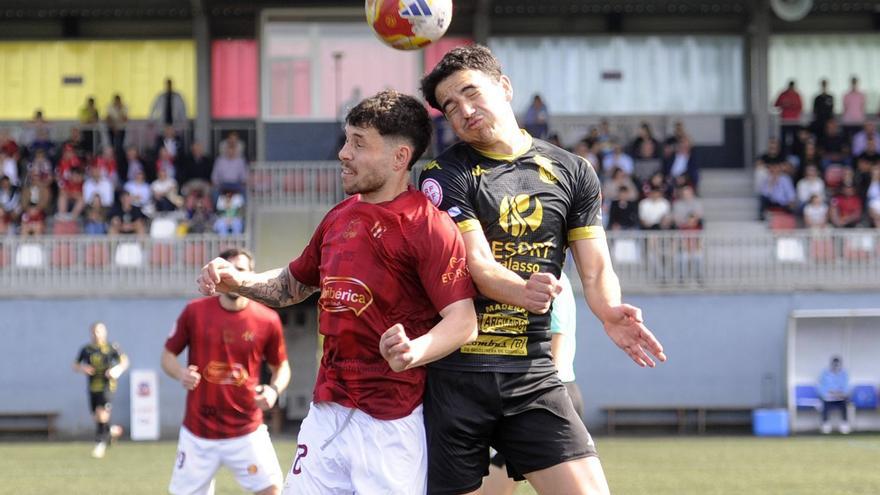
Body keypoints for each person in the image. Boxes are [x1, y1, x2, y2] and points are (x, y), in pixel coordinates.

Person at [196, 90, 478, 495]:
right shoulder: (337, 219)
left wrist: (415, 350)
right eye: (346, 140)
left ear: (400, 158)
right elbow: (293, 284)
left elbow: (463, 320)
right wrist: (238, 281)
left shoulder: (427, 226)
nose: (343, 153)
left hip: (390, 423)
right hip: (327, 410)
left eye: (358, 143)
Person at [419, 44, 666, 495]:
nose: (464, 111)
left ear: (505, 87)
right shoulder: (444, 172)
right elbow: (475, 261)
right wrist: (520, 290)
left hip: (531, 374)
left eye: (471, 93)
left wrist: (609, 310)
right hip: (458, 377)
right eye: (450, 107)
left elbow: (594, 269)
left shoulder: (573, 171)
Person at [162, 248, 291, 495]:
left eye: (239, 270)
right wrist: (181, 374)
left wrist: (273, 390)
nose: (232, 276)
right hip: (198, 433)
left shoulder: (268, 320)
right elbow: (167, 356)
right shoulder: (194, 312)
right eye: (226, 269)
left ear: (251, 275)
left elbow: (281, 367)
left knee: (272, 491)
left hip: (247, 431)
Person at [483, 271, 584, 495]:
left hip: (549, 394)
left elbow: (557, 337)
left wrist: (547, 389)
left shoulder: (551, 278)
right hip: (548, 392)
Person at [73, 322, 129, 459]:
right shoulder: (86, 349)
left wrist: (116, 370)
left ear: (105, 332)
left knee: (102, 413)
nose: (96, 334)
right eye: (94, 332)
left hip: (107, 386)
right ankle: (111, 431)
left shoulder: (112, 348)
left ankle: (100, 444)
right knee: (97, 417)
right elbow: (75, 365)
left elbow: (125, 362)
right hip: (92, 387)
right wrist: (83, 369)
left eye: (99, 331)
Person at [818, 356, 850, 434]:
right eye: (834, 364)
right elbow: (821, 386)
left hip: (840, 398)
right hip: (828, 398)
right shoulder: (825, 374)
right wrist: (828, 393)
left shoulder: (844, 374)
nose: (836, 366)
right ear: (831, 364)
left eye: (837, 364)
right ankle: (825, 424)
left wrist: (841, 393)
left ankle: (844, 424)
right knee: (824, 404)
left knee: (845, 404)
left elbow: (846, 386)